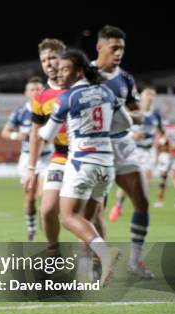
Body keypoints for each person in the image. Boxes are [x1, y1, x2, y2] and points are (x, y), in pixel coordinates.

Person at [37, 49, 127, 286]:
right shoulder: (107, 91)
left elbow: (47, 134)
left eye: (66, 69)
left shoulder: (68, 97)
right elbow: (125, 123)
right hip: (106, 165)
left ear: (78, 71)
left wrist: (38, 130)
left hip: (82, 162)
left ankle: (106, 256)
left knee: (68, 217)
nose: (60, 72)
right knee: (90, 218)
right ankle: (88, 271)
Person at [93, 26, 153, 279]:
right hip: (96, 149)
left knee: (142, 202)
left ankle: (135, 261)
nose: (118, 53)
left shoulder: (126, 79)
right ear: (100, 47)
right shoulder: (85, 74)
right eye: (114, 48)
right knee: (96, 212)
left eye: (122, 49)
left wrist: (125, 112)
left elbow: (138, 113)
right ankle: (98, 265)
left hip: (124, 147)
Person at [24, 38, 68, 256]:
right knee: (47, 210)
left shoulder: (81, 86)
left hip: (87, 158)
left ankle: (95, 262)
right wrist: (31, 169)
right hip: (60, 157)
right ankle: (54, 253)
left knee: (91, 216)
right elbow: (35, 134)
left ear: (63, 57)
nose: (48, 63)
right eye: (44, 60)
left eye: (52, 57)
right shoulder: (41, 97)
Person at [1, 76, 52, 241]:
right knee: (30, 198)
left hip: (47, 158)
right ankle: (31, 230)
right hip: (27, 158)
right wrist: (17, 135)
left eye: (39, 88)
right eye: (32, 89)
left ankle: (48, 232)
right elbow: (5, 132)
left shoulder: (50, 109)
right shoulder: (20, 112)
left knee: (45, 197)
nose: (36, 91)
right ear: (26, 92)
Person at [110, 84, 164, 219]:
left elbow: (161, 133)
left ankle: (140, 209)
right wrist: (132, 136)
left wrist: (162, 141)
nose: (150, 97)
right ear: (142, 96)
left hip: (147, 152)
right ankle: (118, 205)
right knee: (129, 182)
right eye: (148, 94)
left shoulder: (156, 115)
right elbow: (119, 128)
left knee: (146, 181)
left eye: (153, 95)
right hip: (131, 150)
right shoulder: (132, 110)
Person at [155, 121, 175, 208]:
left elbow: (160, 144)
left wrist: (161, 145)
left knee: (163, 177)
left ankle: (160, 199)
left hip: (166, 155)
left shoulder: (163, 130)